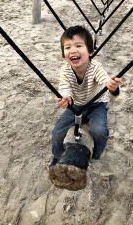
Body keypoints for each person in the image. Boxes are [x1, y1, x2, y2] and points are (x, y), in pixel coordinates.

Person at [50, 25, 121, 167]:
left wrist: (112, 86)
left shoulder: (95, 67)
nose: (73, 50)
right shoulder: (65, 71)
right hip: (76, 105)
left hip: (97, 104)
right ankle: (57, 156)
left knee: (98, 130)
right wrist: (65, 98)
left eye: (78, 45)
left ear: (90, 51)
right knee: (57, 131)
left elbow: (104, 79)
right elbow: (64, 87)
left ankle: (96, 153)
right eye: (67, 47)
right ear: (64, 55)